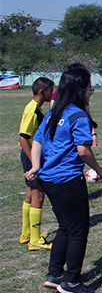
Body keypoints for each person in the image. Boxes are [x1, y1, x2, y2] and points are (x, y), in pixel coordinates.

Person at [24, 65, 102, 293]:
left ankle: (54, 275)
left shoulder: (53, 113)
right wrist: (98, 169)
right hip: (68, 180)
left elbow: (37, 140)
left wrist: (36, 166)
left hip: (49, 180)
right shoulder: (78, 116)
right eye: (90, 88)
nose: (91, 92)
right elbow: (83, 151)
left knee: (65, 227)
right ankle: (71, 281)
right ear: (80, 90)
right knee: (79, 230)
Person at [18, 77, 54, 251]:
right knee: (38, 197)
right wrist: (34, 163)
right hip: (32, 156)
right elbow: (23, 137)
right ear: (42, 92)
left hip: (31, 156)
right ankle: (35, 240)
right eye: (50, 90)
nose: (52, 93)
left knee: (29, 196)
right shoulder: (32, 109)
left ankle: (26, 234)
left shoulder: (35, 107)